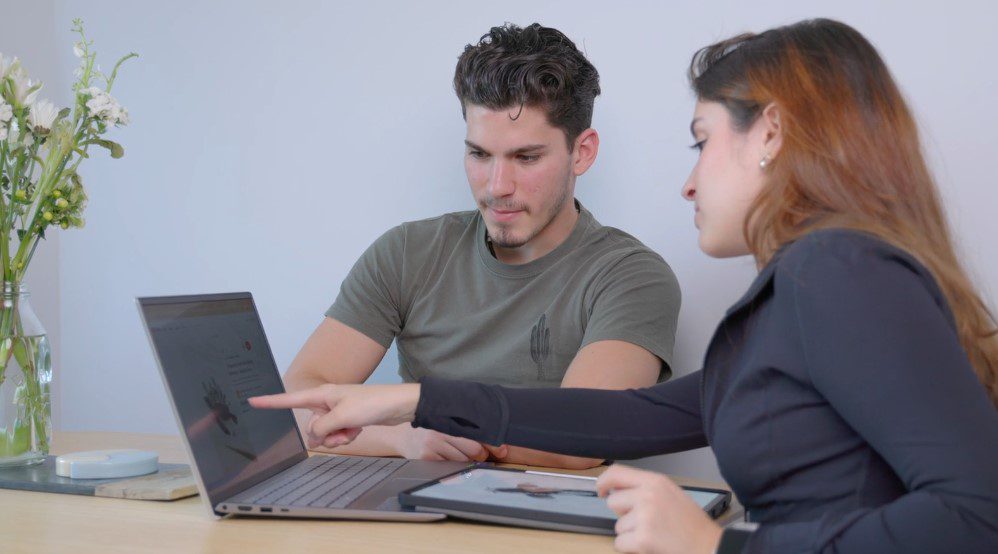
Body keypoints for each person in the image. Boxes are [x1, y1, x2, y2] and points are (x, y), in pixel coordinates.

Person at [252, 18, 998, 553]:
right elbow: (629, 419)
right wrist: (415, 401)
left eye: (703, 141)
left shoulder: (835, 271)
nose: (687, 181)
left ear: (769, 135)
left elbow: (979, 516)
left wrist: (715, 546)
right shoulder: (798, 292)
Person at [282, 22, 681, 470]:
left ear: (582, 152)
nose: (497, 186)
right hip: (414, 518)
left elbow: (581, 439)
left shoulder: (631, 276)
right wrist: (402, 438)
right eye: (479, 154)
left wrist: (434, 418)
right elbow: (295, 407)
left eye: (526, 158)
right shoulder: (406, 252)